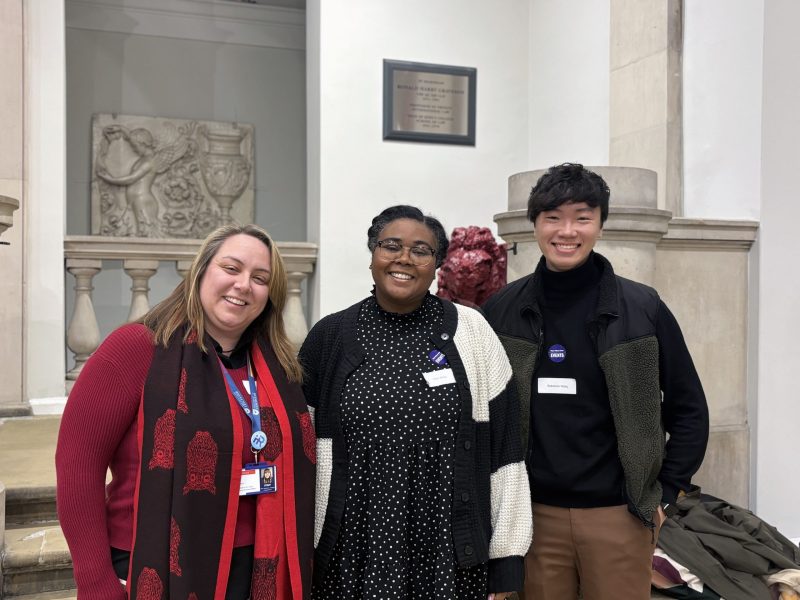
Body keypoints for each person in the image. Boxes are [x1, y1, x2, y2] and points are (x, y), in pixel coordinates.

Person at [482, 163, 710, 600]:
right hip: (534, 516)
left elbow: (688, 407)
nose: (567, 231)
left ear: (600, 224)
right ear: (534, 225)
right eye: (553, 217)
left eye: (582, 217)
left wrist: (663, 493)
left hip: (617, 514)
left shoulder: (642, 307)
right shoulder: (502, 310)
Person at [56, 224, 316, 600]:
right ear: (201, 271)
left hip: (256, 567)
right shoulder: (136, 349)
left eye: (260, 278)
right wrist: (95, 580)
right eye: (231, 268)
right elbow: (77, 465)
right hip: (150, 561)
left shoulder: (278, 367)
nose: (244, 285)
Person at [299, 205, 532, 600]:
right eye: (391, 245)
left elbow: (506, 451)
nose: (404, 258)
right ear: (373, 253)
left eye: (421, 250)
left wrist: (507, 557)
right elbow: (301, 449)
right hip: (352, 547)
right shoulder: (330, 336)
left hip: (447, 549)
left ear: (437, 264)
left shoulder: (472, 331)